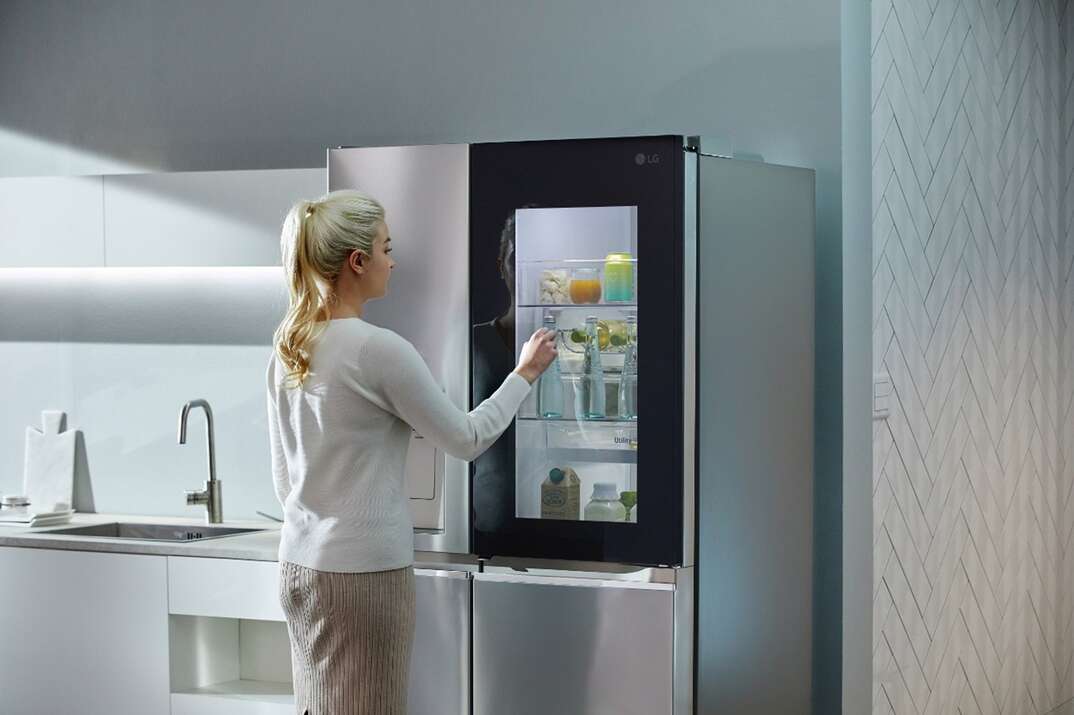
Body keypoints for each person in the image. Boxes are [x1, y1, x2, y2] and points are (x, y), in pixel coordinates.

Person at [265, 190, 556, 715]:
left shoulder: (291, 344)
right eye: (385, 248)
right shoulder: (377, 350)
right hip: (365, 575)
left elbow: (285, 479)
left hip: (300, 568)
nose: (392, 260)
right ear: (357, 262)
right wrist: (525, 373)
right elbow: (466, 439)